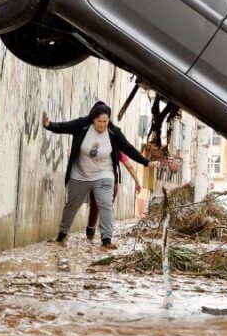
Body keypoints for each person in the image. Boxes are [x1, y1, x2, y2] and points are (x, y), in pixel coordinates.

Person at [42, 101, 149, 249]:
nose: (102, 125)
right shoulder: (82, 125)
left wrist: (146, 162)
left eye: (105, 121)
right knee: (72, 206)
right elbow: (62, 127)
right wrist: (48, 125)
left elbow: (129, 149)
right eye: (99, 121)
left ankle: (106, 240)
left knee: (105, 205)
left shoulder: (114, 133)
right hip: (80, 174)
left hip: (104, 174)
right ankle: (61, 235)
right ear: (93, 119)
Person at [85, 152, 142, 241]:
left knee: (94, 207)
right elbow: (129, 166)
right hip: (111, 182)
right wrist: (137, 181)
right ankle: (105, 237)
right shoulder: (118, 149)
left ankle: (90, 232)